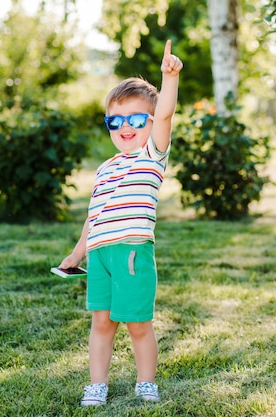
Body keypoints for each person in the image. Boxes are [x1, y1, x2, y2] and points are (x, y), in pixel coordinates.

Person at [59, 39, 183, 406]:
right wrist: (77, 253)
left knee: (138, 324)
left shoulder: (151, 155)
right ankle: (97, 384)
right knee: (101, 323)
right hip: (100, 257)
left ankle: (146, 382)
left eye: (134, 119)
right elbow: (93, 215)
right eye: (116, 120)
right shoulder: (105, 167)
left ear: (148, 121)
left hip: (132, 253)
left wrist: (169, 78)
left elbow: (165, 116)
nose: (125, 128)